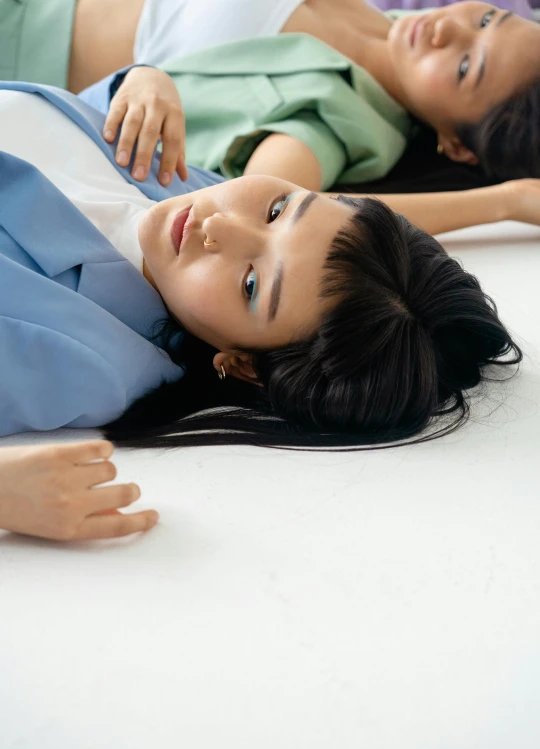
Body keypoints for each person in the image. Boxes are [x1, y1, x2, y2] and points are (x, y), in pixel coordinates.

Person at [0, 65, 538, 542]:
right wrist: (135, 81)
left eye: (252, 285)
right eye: (280, 208)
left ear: (246, 366)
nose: (218, 227)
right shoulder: (186, 189)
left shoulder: (85, 356)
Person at [2, 1, 539, 189]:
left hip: (21, 51)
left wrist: (504, 203)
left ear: (459, 146)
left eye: (467, 67)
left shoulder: (339, 116)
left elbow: (270, 202)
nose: (449, 30)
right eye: (488, 18)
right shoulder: (386, 22)